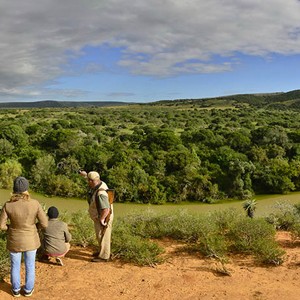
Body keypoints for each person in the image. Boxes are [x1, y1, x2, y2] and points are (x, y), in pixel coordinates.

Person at [0, 176, 48, 298]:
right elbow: (45, 224)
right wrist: (34, 227)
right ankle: (28, 290)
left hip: (14, 241)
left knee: (15, 265)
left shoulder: (8, 205)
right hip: (31, 240)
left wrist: (11, 228)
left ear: (14, 189)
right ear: (27, 189)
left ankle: (15, 290)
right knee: (30, 265)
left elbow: (2, 226)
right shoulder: (35, 203)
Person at [79, 170, 113, 262]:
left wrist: (102, 219)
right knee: (100, 235)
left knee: (103, 235)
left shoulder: (101, 193)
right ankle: (102, 252)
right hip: (101, 215)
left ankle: (104, 257)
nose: (88, 182)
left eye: (89, 181)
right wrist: (84, 175)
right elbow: (91, 177)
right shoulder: (100, 183)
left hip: (104, 216)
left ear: (92, 181)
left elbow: (106, 209)